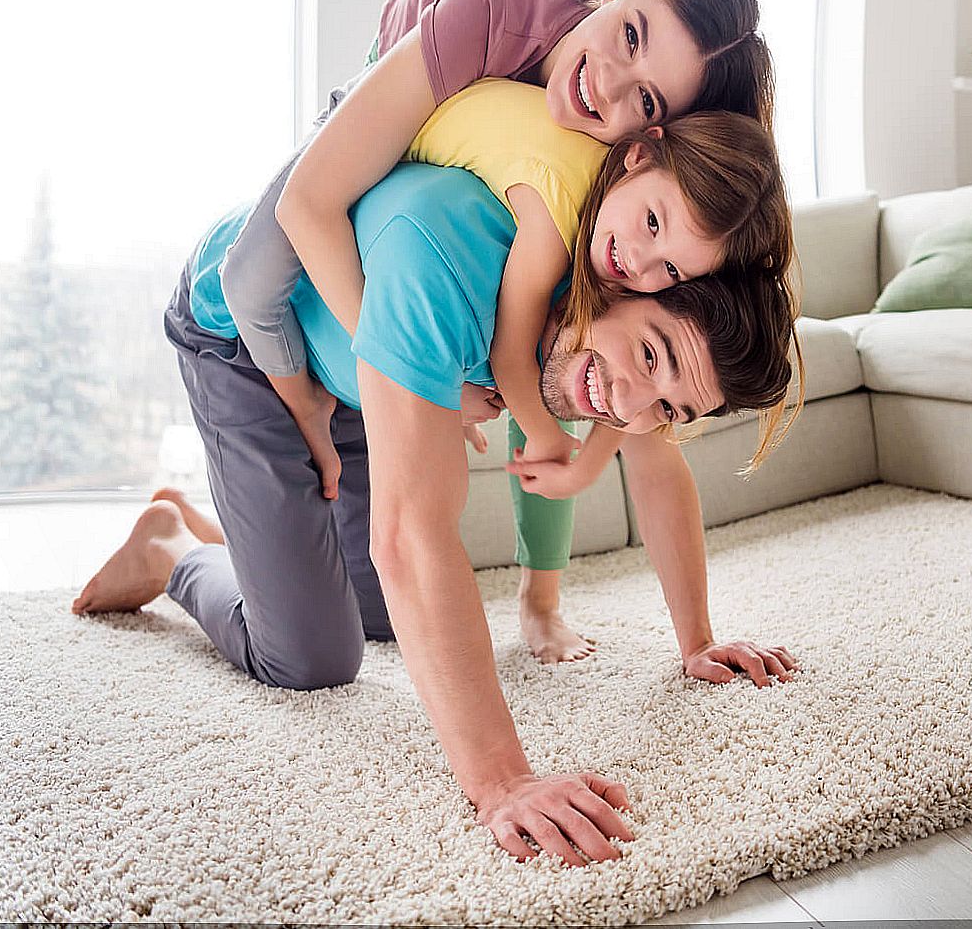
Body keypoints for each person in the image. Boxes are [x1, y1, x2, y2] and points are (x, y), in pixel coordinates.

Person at [73, 155, 800, 868]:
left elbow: (654, 459)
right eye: (648, 355)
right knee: (313, 656)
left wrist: (697, 640)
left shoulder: (623, 328)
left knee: (397, 617)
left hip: (363, 369)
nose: (627, 403)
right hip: (245, 340)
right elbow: (408, 535)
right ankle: (173, 546)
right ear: (611, 282)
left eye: (668, 403)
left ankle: (254, 547)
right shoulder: (449, 261)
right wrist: (502, 782)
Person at [220, 0, 778, 660]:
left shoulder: (633, 214)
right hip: (403, 84)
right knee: (252, 276)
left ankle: (538, 599)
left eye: (645, 97)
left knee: (569, 369)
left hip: (498, 160)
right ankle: (297, 403)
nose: (610, 83)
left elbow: (635, 395)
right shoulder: (506, 5)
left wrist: (695, 637)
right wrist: (425, 384)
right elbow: (309, 205)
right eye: (630, 34)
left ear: (658, 131)